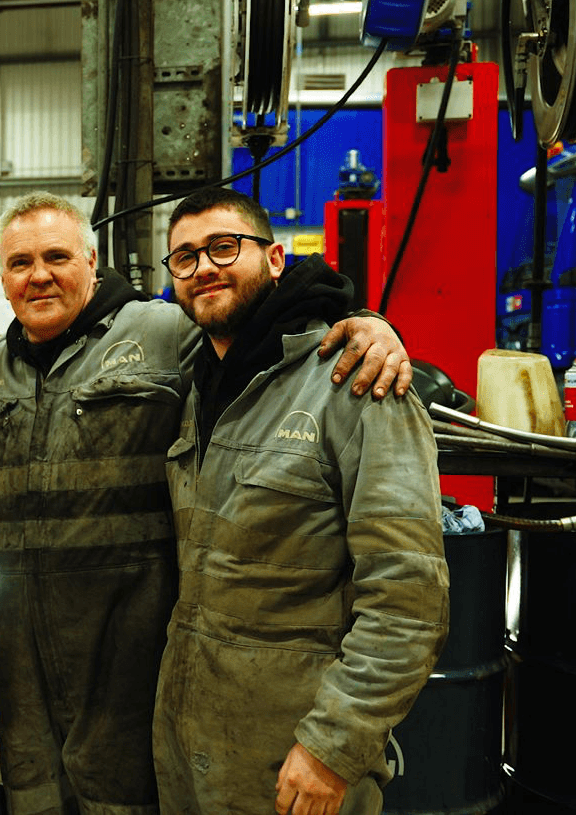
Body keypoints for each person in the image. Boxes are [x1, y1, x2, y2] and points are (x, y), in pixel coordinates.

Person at [0, 192, 411, 815]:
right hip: (27, 678)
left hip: (133, 665)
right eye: (20, 263)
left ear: (92, 260)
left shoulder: (163, 332)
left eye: (57, 256)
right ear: (1, 279)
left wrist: (367, 323)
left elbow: (262, 323)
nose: (40, 274)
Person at [155, 186, 449, 815]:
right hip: (191, 741)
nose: (204, 267)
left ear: (277, 258)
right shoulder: (194, 385)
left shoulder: (354, 383)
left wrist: (332, 747)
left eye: (224, 247)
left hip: (296, 754)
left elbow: (408, 598)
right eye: (184, 258)